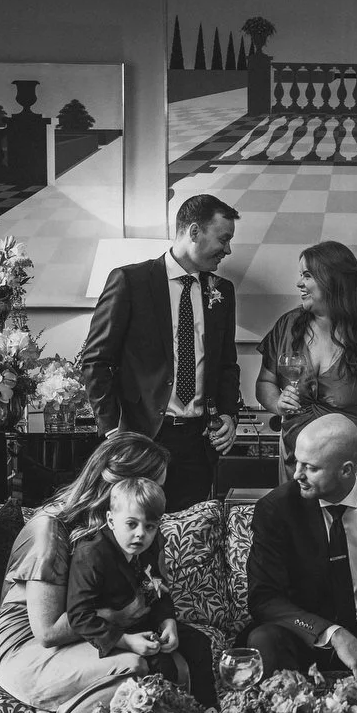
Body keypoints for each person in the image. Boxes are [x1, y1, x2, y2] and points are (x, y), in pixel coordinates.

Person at [0, 432, 173, 713]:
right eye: (150, 486)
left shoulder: (126, 528)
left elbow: (151, 586)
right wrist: (116, 615)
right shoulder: (51, 529)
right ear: (120, 485)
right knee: (133, 668)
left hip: (93, 632)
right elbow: (47, 632)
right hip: (29, 647)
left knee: (175, 662)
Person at [80, 194, 242, 513]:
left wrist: (228, 416)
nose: (228, 249)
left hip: (198, 443)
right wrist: (113, 431)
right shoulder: (129, 281)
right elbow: (96, 361)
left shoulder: (222, 292)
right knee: (137, 534)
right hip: (141, 440)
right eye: (223, 239)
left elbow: (226, 365)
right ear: (194, 232)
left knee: (192, 536)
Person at [242, 415, 357, 680]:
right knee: (262, 637)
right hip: (301, 634)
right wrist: (331, 633)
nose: (297, 474)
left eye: (310, 468)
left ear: (346, 470)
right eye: (296, 462)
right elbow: (263, 599)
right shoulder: (276, 510)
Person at [64, 476, 215, 704]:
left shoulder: (150, 545)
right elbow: (79, 616)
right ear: (111, 520)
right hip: (108, 630)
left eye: (150, 526)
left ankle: (208, 712)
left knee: (200, 643)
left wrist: (168, 622)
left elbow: (158, 587)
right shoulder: (91, 555)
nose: (140, 534)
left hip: (145, 620)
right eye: (131, 524)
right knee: (162, 667)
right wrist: (125, 640)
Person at [254, 240, 357, 461]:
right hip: (296, 463)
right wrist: (277, 404)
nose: (299, 283)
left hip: (349, 467)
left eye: (307, 275)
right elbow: (264, 383)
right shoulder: (287, 325)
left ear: (333, 281)